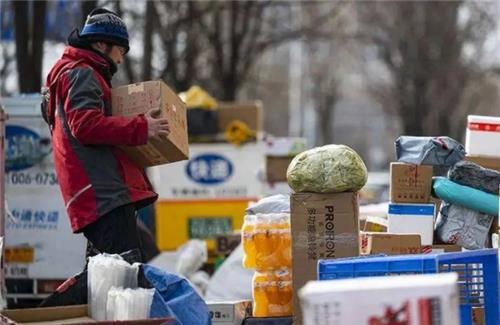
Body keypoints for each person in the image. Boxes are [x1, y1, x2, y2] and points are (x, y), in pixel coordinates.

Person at [39, 8, 168, 306]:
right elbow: (85, 125)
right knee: (119, 272)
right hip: (103, 193)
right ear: (100, 45)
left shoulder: (74, 73)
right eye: (119, 51)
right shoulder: (82, 73)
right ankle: (37, 317)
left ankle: (43, 316)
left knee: (105, 274)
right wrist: (141, 128)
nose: (120, 60)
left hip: (96, 192)